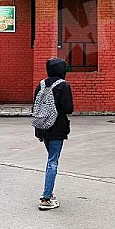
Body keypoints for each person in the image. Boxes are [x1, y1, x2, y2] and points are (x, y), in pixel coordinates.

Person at [34, 58, 74, 211]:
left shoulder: (41, 85)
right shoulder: (63, 86)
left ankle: (49, 193)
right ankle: (46, 198)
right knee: (52, 161)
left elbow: (36, 107)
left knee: (51, 158)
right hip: (57, 128)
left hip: (42, 127)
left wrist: (38, 130)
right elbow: (68, 108)